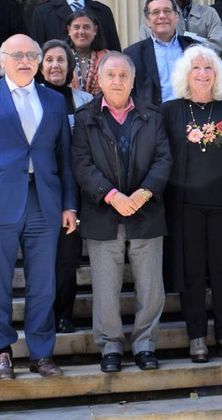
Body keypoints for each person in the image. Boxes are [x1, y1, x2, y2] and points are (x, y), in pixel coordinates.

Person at [0, 34, 78, 381]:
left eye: (31, 54)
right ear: (2, 61)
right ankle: (2, 353)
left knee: (43, 284)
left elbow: (65, 159)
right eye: (17, 55)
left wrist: (70, 204)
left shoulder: (54, 100)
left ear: (39, 61)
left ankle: (41, 354)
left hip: (45, 202)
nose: (25, 60)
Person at [71, 52, 173, 373]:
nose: (117, 81)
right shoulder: (84, 117)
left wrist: (142, 194)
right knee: (105, 285)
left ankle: (145, 344)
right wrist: (113, 196)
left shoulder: (152, 116)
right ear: (99, 80)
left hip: (146, 210)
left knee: (150, 286)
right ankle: (110, 346)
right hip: (103, 211)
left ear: (132, 80)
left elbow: (163, 160)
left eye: (123, 76)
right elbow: (82, 164)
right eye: (110, 76)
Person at [161, 46, 222, 363]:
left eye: (208, 68)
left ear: (217, 74)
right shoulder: (170, 112)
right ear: (185, 74)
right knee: (192, 273)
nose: (202, 73)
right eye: (196, 68)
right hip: (185, 208)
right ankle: (197, 337)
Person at [37, 39, 94, 333]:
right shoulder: (31, 98)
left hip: (80, 189)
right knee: (44, 257)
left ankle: (64, 313)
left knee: (67, 258)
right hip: (44, 188)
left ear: (70, 67)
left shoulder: (84, 100)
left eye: (61, 60)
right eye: (49, 60)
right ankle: (44, 313)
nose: (55, 65)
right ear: (40, 65)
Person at [124, 0, 195, 106]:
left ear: (176, 16)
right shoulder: (132, 55)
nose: (162, 16)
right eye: (156, 12)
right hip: (152, 119)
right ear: (148, 20)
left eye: (167, 11)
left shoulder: (194, 47)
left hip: (191, 117)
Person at [66, 9, 109, 96]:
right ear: (69, 30)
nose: (81, 32)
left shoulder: (108, 58)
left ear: (95, 30)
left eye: (86, 27)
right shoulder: (61, 58)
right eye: (76, 27)